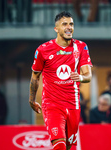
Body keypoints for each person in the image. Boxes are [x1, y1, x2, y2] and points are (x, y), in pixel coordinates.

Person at [29, 11, 92, 150]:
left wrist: (80, 77)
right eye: (65, 24)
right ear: (56, 29)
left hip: (73, 104)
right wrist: (31, 100)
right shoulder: (43, 50)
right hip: (52, 105)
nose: (69, 27)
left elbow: (88, 75)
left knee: (69, 147)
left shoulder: (81, 47)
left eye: (71, 24)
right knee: (60, 145)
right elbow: (35, 77)